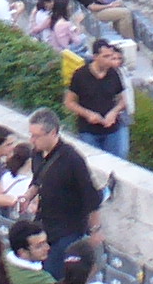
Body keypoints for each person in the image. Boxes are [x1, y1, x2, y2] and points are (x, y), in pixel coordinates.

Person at [26, 107, 99, 269]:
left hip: (67, 230)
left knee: (53, 274)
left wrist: (95, 230)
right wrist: (28, 196)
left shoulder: (72, 159)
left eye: (36, 136)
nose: (32, 140)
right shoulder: (37, 154)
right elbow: (38, 179)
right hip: (44, 225)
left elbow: (91, 196)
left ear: (53, 133)